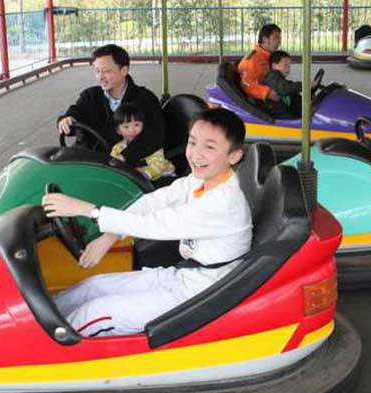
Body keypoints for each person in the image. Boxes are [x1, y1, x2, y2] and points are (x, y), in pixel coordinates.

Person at [42, 108, 252, 337]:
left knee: (94, 314)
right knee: (93, 286)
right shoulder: (202, 180)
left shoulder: (223, 202)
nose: (196, 154)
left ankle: (41, 356)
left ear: (234, 156)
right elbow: (155, 201)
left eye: (209, 147)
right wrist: (111, 235)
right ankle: (34, 326)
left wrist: (89, 210)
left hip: (202, 291)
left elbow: (156, 224)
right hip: (184, 275)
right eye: (192, 143)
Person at [57, 44, 164, 163]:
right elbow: (76, 113)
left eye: (106, 71)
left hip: (122, 164)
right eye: (97, 71)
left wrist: (124, 156)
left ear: (124, 70)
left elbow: (154, 135)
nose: (100, 77)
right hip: (88, 159)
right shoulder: (90, 96)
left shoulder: (145, 99)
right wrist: (66, 119)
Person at [111, 103, 175, 181]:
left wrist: (144, 174)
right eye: (126, 127)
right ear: (118, 130)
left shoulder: (151, 144)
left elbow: (159, 165)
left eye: (137, 125)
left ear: (143, 126)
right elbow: (113, 166)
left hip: (162, 176)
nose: (132, 130)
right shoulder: (117, 148)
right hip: (137, 179)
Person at [238, 23, 282, 102]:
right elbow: (246, 84)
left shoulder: (267, 56)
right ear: (265, 39)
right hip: (260, 100)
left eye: (279, 39)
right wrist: (267, 93)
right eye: (276, 38)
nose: (279, 42)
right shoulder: (252, 60)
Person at [262, 50, 302, 115]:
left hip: (281, 109)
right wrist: (304, 86)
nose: (288, 69)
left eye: (289, 65)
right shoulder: (272, 75)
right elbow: (284, 88)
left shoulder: (279, 79)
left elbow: (290, 85)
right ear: (274, 66)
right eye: (285, 65)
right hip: (275, 113)